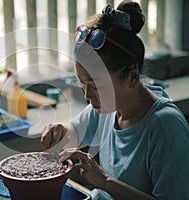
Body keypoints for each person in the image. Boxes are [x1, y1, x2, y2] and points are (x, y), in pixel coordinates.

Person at [41, 1, 189, 199]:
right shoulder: (107, 107)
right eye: (82, 85)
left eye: (96, 87)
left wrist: (105, 182)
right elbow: (75, 131)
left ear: (132, 78)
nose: (87, 96)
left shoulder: (165, 126)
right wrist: (60, 131)